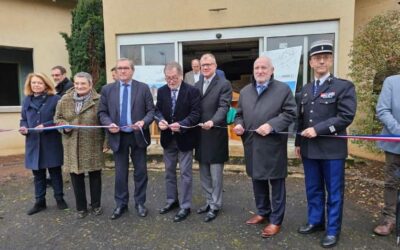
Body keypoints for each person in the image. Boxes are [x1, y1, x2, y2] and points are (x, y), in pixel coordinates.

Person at [295, 40, 357, 248]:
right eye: (317, 58)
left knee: (334, 192)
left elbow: (346, 116)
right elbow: (300, 119)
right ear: (311, 63)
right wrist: (297, 142)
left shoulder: (343, 86)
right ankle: (315, 221)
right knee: (313, 189)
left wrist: (318, 129)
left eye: (326, 57)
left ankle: (332, 230)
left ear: (330, 60)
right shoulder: (305, 90)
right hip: (309, 149)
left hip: (332, 150)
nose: (321, 61)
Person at [233, 56, 296, 238]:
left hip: (273, 145)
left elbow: (290, 113)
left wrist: (271, 125)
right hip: (252, 144)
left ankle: (276, 220)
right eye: (257, 68)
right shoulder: (245, 91)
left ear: (272, 70)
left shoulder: (282, 90)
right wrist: (239, 124)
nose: (260, 71)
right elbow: (239, 114)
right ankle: (262, 211)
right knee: (257, 179)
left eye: (264, 68)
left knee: (276, 183)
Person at [98, 58, 155, 220]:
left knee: (141, 172)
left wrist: (143, 122)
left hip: (138, 136)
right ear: (116, 71)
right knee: (120, 173)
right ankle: (121, 204)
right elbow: (102, 113)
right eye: (119, 68)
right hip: (118, 137)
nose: (122, 71)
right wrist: (109, 124)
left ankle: (140, 203)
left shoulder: (143, 88)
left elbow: (151, 111)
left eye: (125, 68)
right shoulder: (107, 89)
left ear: (132, 70)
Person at [54, 72, 107, 219]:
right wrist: (65, 126)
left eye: (83, 83)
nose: (79, 86)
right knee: (76, 176)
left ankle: (96, 205)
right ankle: (81, 208)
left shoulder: (99, 100)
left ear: (90, 85)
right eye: (77, 83)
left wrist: (106, 141)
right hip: (71, 143)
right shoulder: (64, 99)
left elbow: (106, 121)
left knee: (95, 175)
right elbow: (57, 118)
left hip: (93, 142)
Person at [155, 62, 201, 222]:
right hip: (168, 139)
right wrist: (160, 120)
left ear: (181, 75)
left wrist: (182, 125)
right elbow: (157, 110)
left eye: (174, 78)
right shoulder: (161, 91)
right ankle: (171, 201)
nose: (171, 81)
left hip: (185, 138)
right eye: (168, 78)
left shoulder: (192, 91)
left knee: (186, 174)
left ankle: (185, 206)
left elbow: (196, 114)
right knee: (169, 172)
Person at [19, 73, 68, 215]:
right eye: (33, 83)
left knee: (55, 172)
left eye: (39, 83)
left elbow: (60, 119)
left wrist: (46, 125)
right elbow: (23, 119)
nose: (36, 85)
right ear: (30, 85)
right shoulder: (27, 100)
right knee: (38, 175)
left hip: (50, 141)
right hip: (33, 142)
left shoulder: (55, 99)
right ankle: (40, 202)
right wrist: (23, 127)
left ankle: (59, 198)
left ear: (46, 84)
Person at [194, 53, 232, 222]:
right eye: (203, 65)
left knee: (216, 174)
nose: (206, 67)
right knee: (203, 172)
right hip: (200, 134)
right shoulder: (196, 84)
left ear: (215, 66)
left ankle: (216, 205)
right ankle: (209, 202)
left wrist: (212, 121)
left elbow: (224, 107)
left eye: (209, 64)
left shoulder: (224, 84)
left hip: (215, 133)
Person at [373, 75, 400, 236]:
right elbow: (383, 110)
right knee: (391, 183)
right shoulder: (392, 81)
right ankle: (389, 219)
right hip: (394, 145)